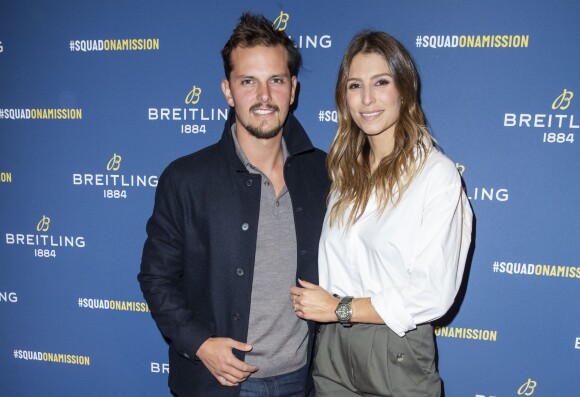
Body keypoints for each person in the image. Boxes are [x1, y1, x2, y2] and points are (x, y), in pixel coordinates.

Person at [138, 13, 329, 397]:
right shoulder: (186, 178)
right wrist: (201, 343)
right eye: (248, 82)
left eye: (275, 80)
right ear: (228, 91)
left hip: (304, 380)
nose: (263, 96)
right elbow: (156, 278)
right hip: (219, 384)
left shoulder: (323, 173)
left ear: (292, 89)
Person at [290, 31, 473, 396]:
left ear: (403, 90)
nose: (367, 99)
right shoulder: (344, 173)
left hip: (395, 348)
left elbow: (433, 293)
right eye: (355, 85)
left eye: (381, 82)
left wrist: (339, 308)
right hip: (333, 349)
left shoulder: (434, 174)